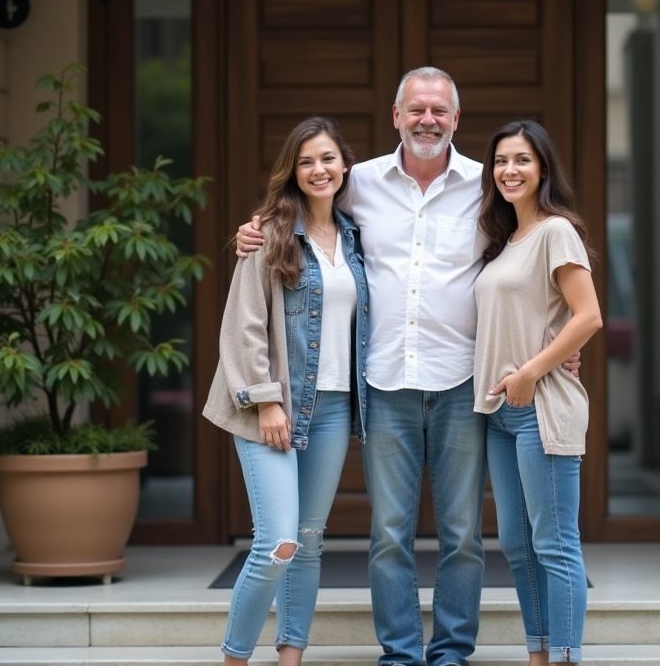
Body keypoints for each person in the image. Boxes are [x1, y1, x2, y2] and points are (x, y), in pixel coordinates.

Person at [236, 68, 579, 666]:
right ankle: (399, 652)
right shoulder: (359, 181)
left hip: (463, 383)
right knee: (389, 532)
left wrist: (559, 335)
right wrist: (257, 230)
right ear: (396, 116)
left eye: (439, 111)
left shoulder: (488, 185)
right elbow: (307, 208)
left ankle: (450, 651)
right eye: (416, 109)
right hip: (383, 382)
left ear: (455, 119)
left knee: (463, 534)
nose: (428, 120)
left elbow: (531, 256)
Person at [204, 117, 369, 666]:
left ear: (345, 165)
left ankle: (291, 659)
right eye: (306, 161)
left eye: (327, 158)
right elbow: (244, 325)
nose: (318, 170)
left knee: (308, 540)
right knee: (276, 543)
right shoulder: (269, 234)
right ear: (292, 172)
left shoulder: (356, 236)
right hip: (270, 408)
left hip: (334, 407)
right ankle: (234, 659)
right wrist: (267, 401)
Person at [473, 120, 602, 666]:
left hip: (541, 409)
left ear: (543, 167)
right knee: (517, 543)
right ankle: (540, 653)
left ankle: (566, 656)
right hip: (500, 413)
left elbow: (588, 315)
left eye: (522, 159)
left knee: (554, 543)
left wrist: (530, 372)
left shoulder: (556, 231)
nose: (510, 170)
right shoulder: (505, 241)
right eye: (501, 161)